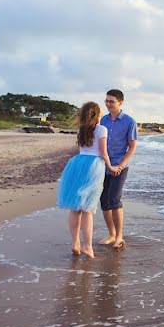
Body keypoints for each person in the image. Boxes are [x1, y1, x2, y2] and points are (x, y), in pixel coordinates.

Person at [57, 101, 118, 258]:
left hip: (78, 164)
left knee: (75, 207)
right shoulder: (101, 129)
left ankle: (75, 243)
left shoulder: (82, 129)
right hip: (94, 166)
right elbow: (103, 153)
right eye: (100, 112)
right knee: (88, 209)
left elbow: (84, 148)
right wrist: (111, 168)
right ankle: (88, 247)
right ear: (96, 114)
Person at [98, 88, 138, 249]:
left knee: (114, 199)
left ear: (120, 102)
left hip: (119, 167)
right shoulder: (103, 120)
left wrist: (120, 166)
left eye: (111, 101)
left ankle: (119, 236)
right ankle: (111, 234)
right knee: (104, 201)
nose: (108, 104)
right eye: (106, 101)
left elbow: (132, 147)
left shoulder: (130, 122)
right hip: (102, 166)